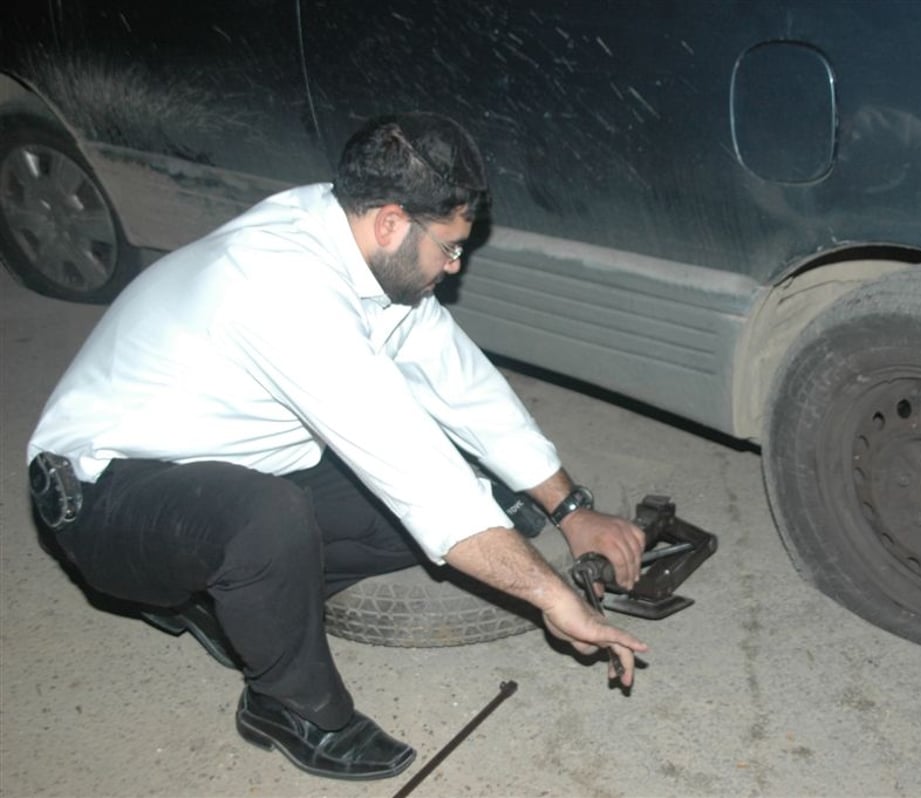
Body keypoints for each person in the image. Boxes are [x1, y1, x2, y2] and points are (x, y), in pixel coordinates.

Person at [26, 113, 648, 782]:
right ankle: (288, 705)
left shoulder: (358, 248)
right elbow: (423, 482)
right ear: (390, 222)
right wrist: (552, 595)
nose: (455, 262)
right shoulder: (281, 291)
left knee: (465, 507)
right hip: (107, 497)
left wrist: (571, 509)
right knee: (272, 521)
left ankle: (228, 600)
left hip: (227, 465)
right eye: (450, 246)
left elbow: (463, 387)